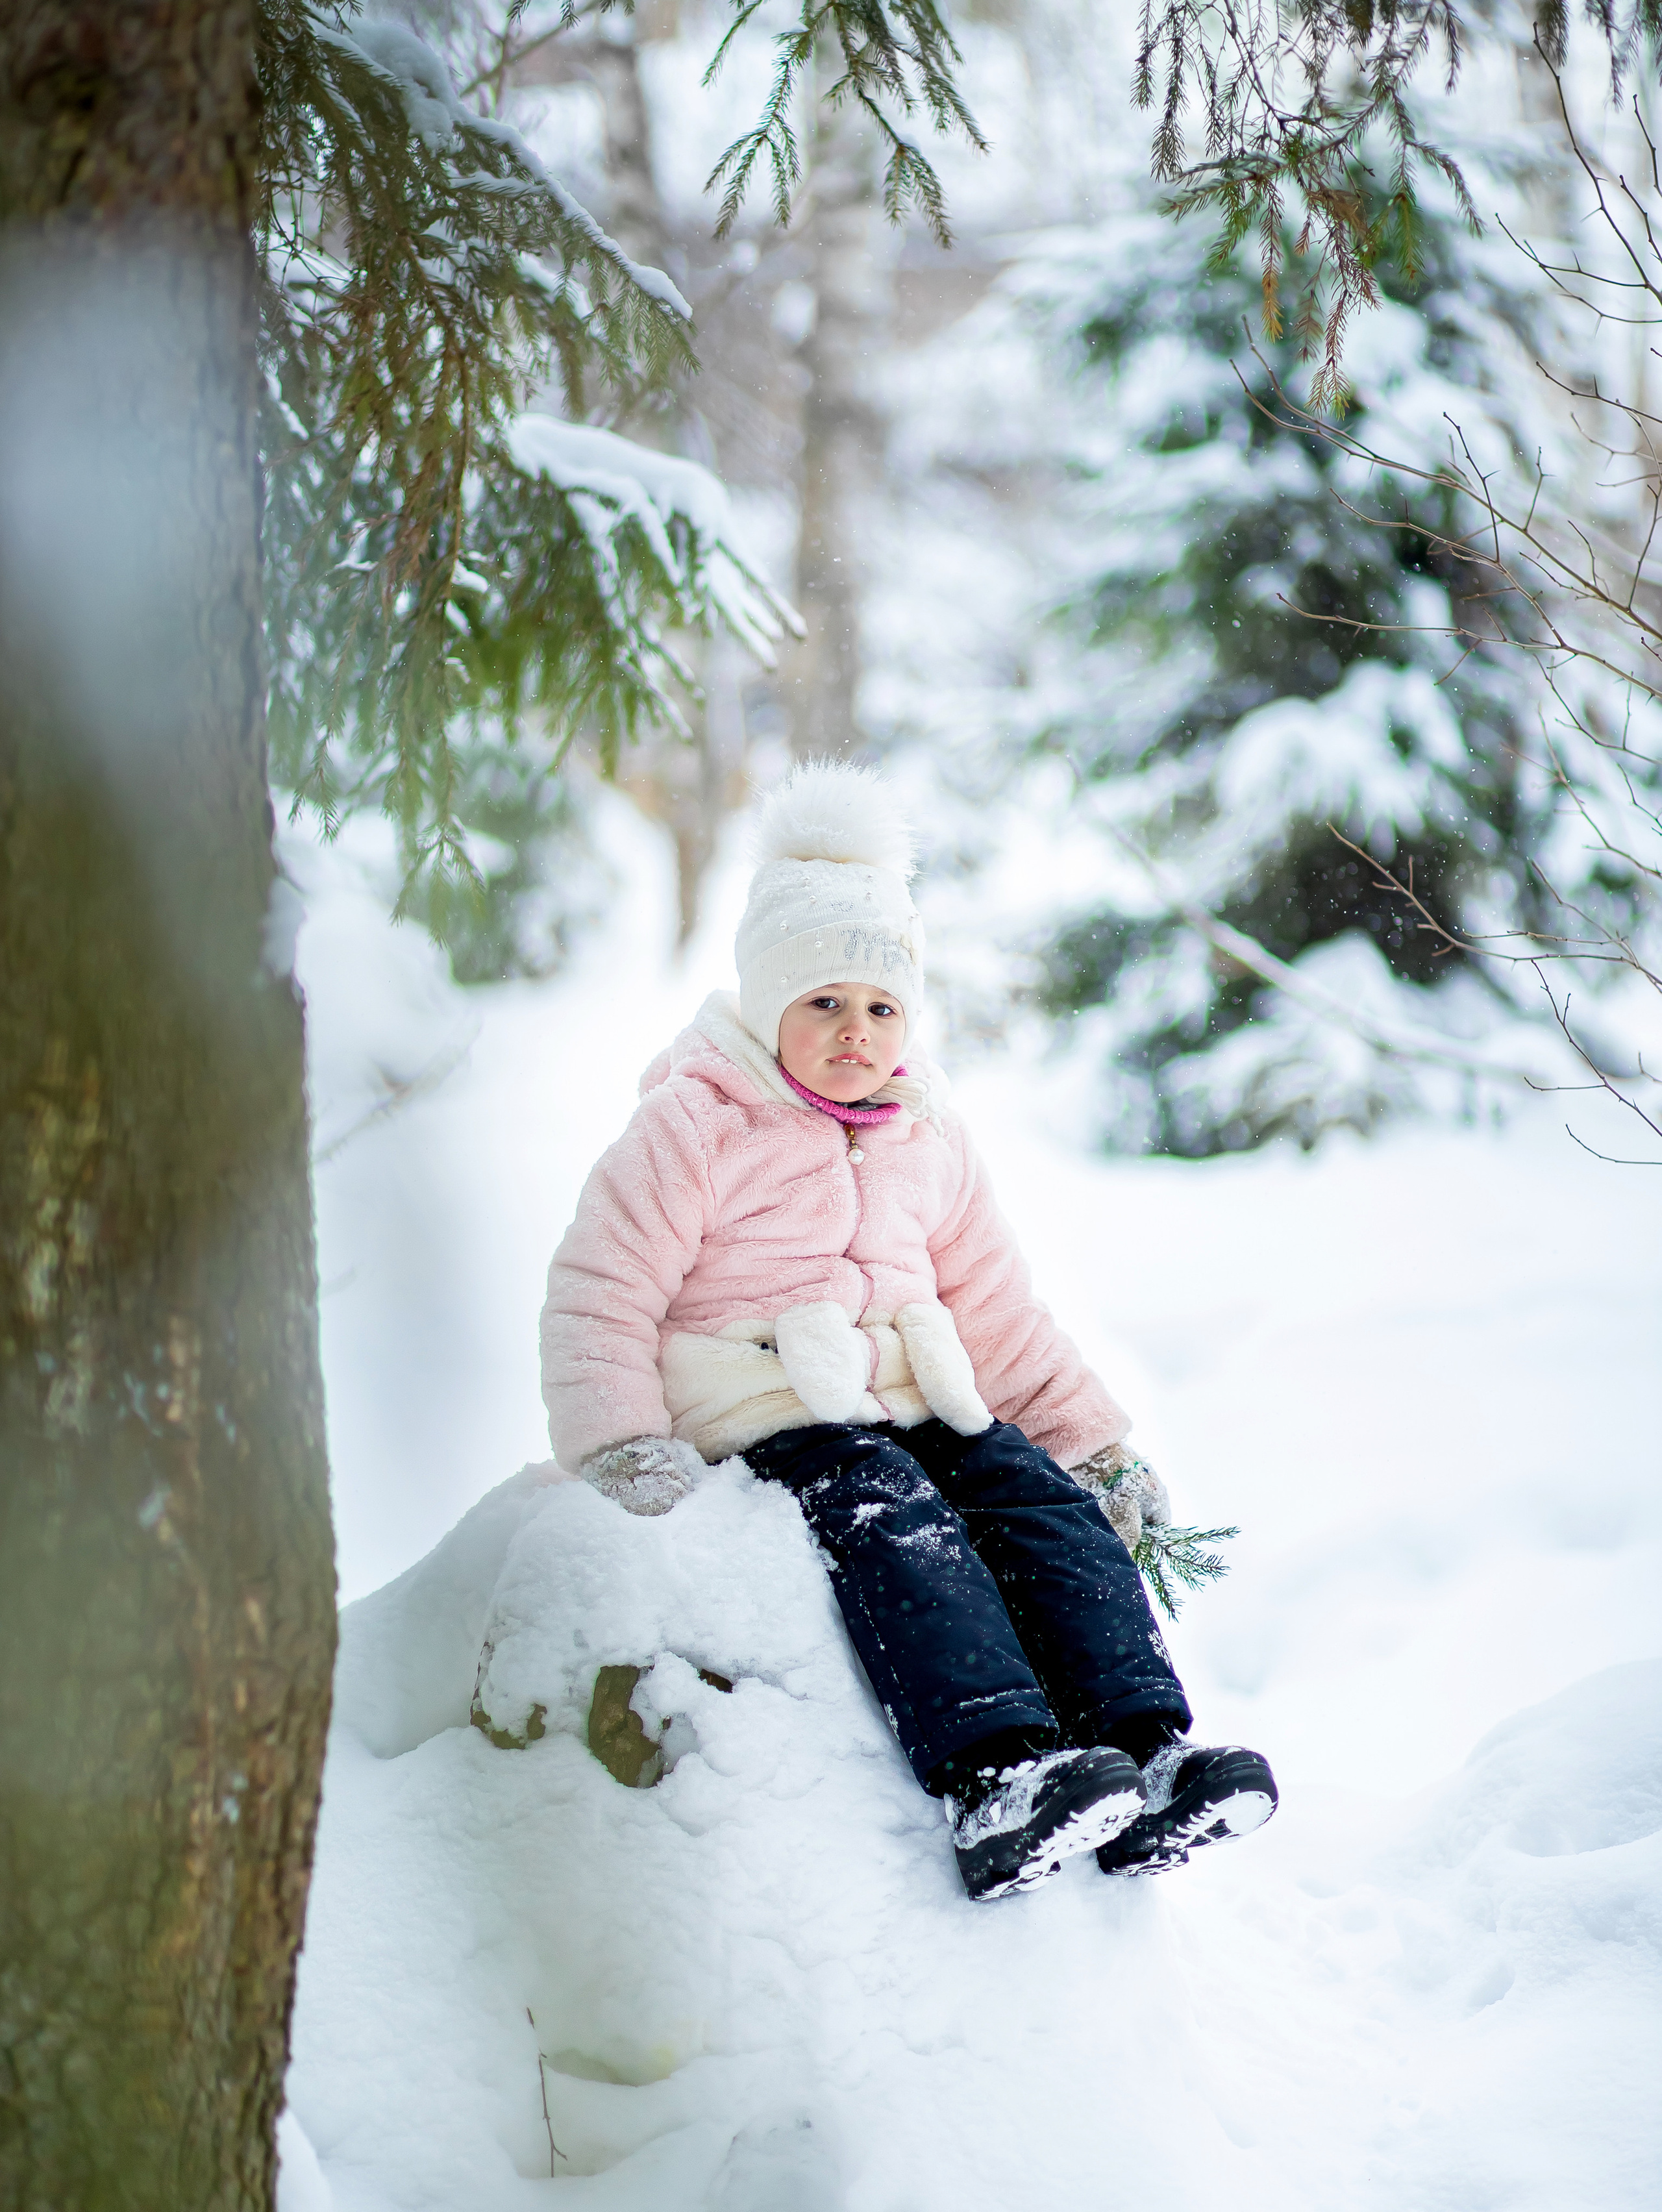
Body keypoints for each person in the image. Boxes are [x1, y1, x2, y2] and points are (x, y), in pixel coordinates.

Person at [541, 761, 1276, 1900]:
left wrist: (1094, 1446)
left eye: (882, 1007)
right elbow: (600, 1288)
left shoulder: (927, 1131)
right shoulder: (696, 1124)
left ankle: (1146, 1757)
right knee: (897, 1522)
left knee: (1033, 1501)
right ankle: (998, 1781)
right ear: (766, 1001)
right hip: (773, 1408)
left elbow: (997, 1309)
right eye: (823, 1001)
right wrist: (621, 1444)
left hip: (920, 1397)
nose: (855, 1032)